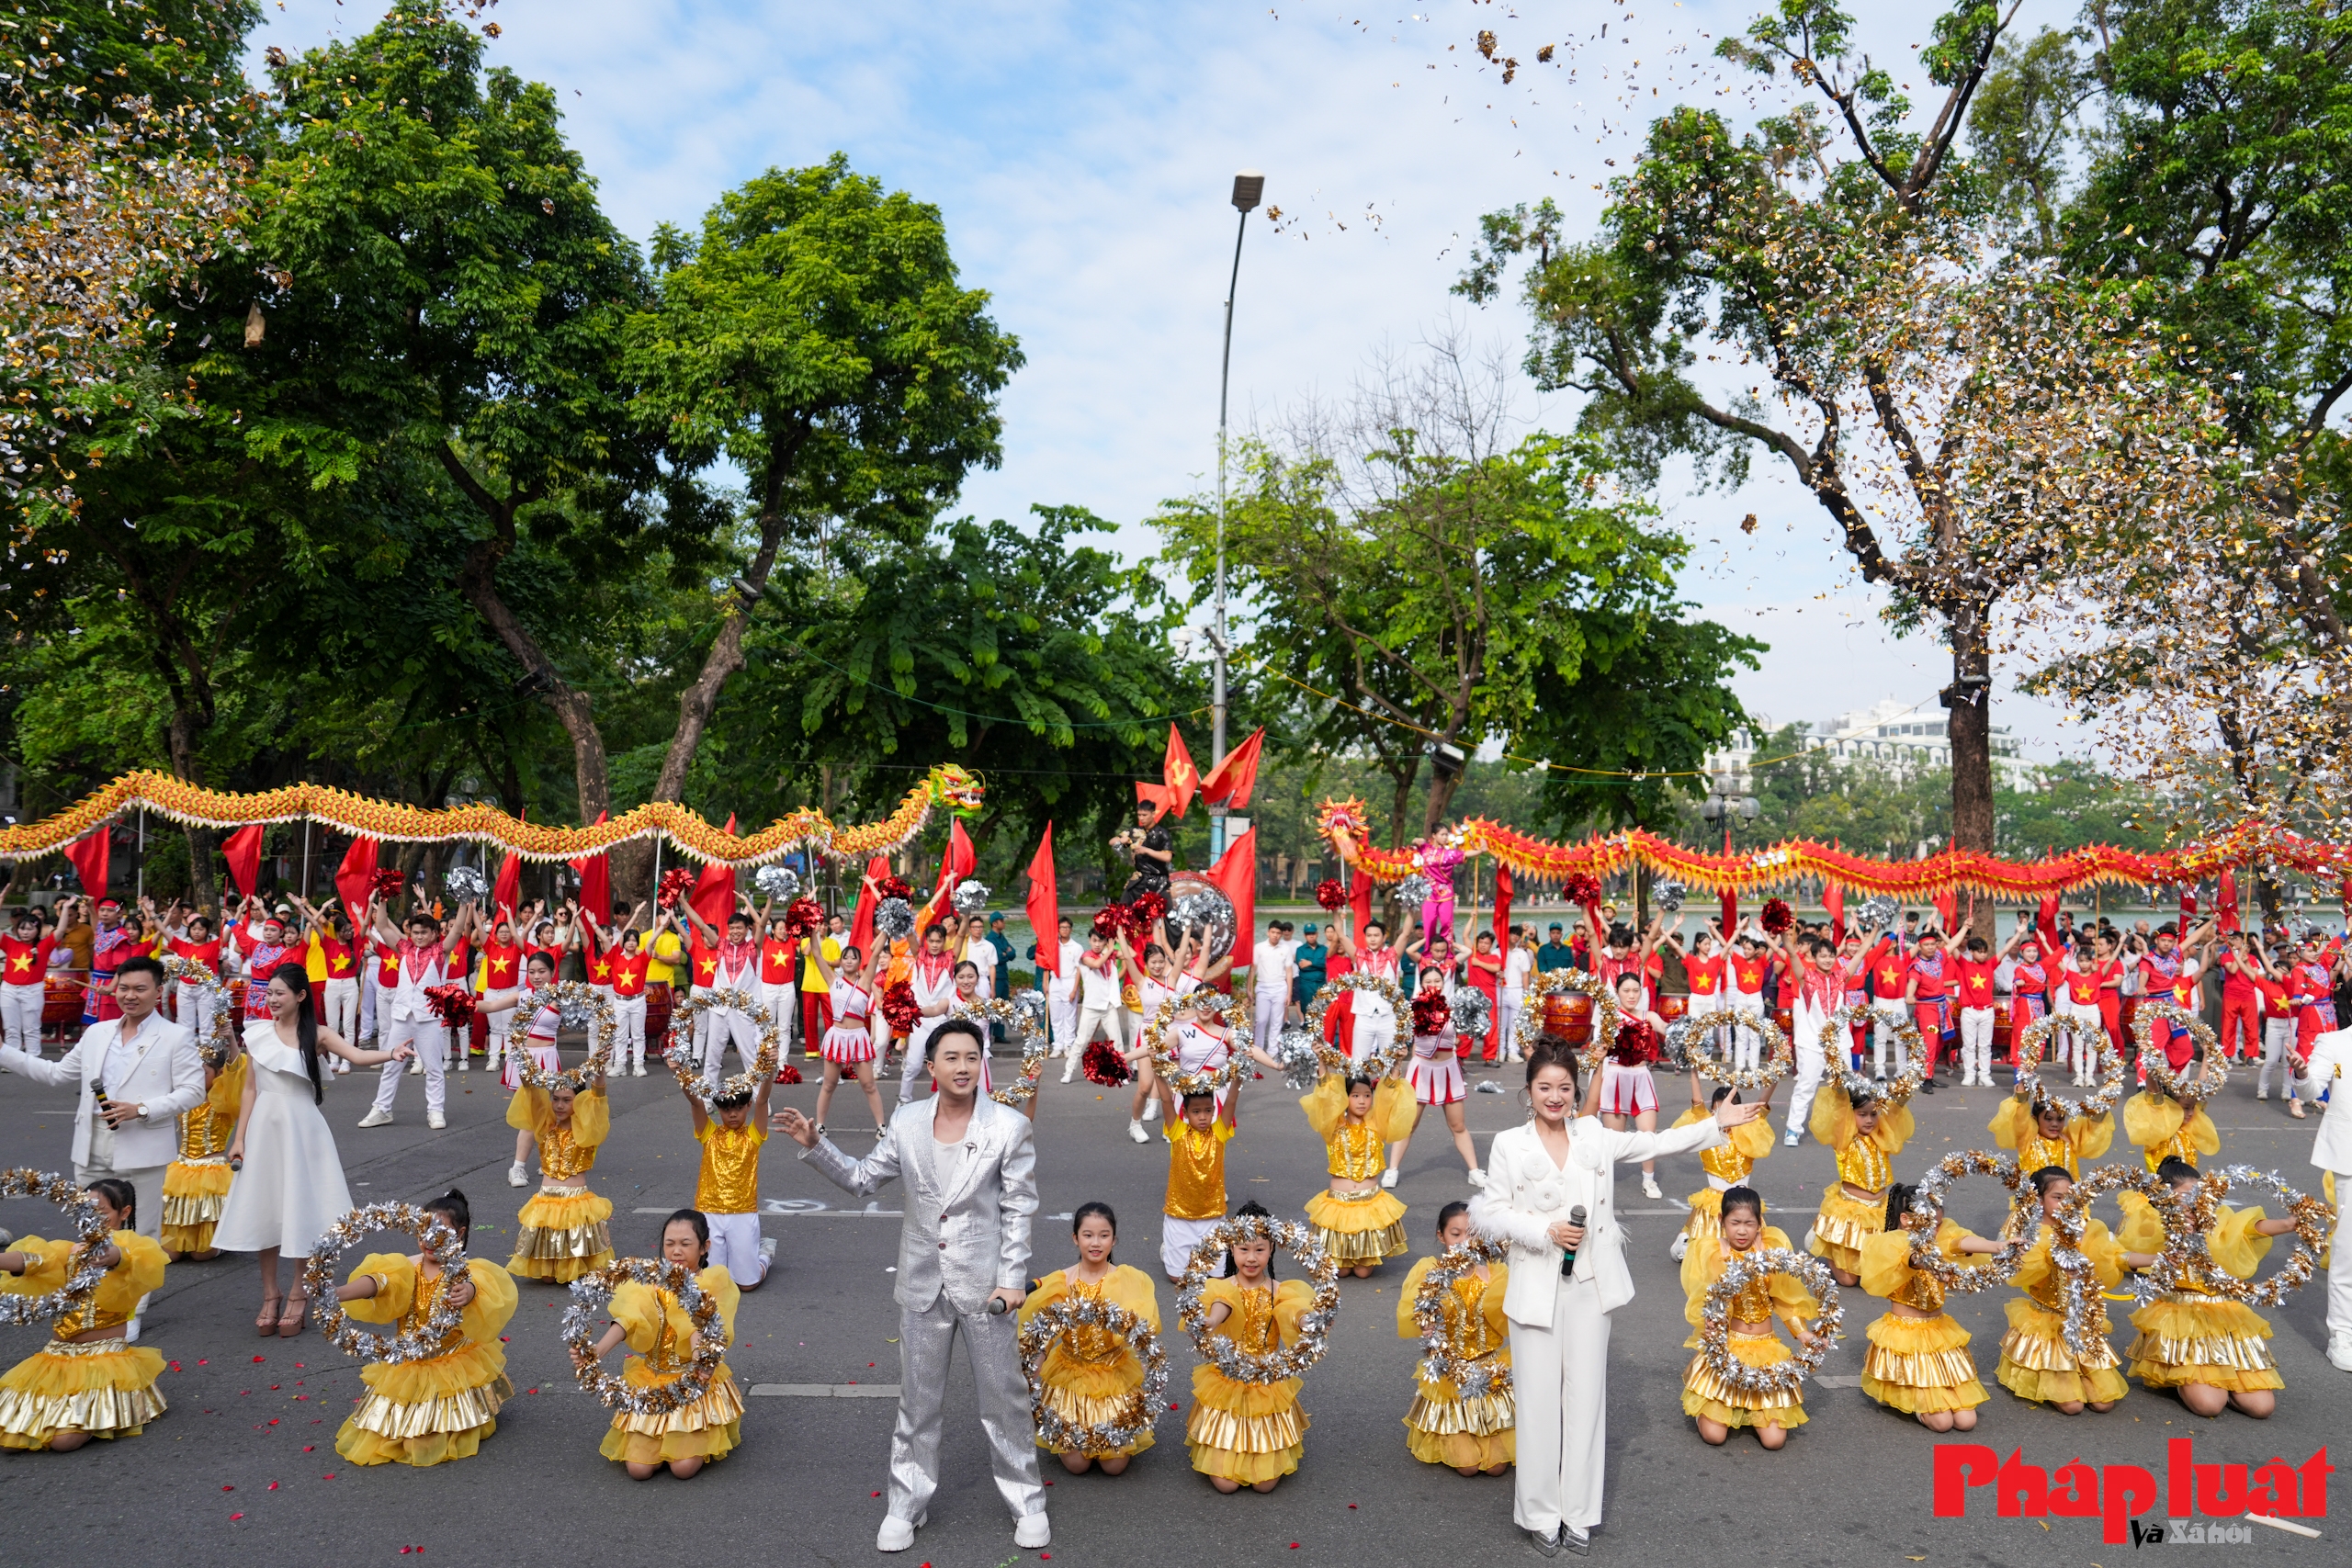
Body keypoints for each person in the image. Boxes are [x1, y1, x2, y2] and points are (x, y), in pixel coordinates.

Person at [1471, 1039, 1765, 1556]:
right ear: (1529, 1091)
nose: (1555, 1097)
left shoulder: (1595, 1136)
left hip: (1591, 1287)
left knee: (1586, 1400)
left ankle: (1579, 1514)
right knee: (1538, 1403)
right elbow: (1492, 1212)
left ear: (1576, 1089)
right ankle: (1540, 1514)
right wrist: (1546, 1231)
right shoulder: (1508, 1144)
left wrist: (1717, 1124)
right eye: (1545, 1087)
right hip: (1534, 1286)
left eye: (1565, 1087)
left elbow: (1655, 1144)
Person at [773, 1018, 1052, 1553]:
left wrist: (1013, 1279)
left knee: (1005, 1400)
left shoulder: (1008, 1127)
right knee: (918, 1404)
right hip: (923, 1284)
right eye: (952, 1057)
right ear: (931, 1066)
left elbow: (1019, 1208)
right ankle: (907, 1504)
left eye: (972, 1057)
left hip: (989, 1289)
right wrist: (816, 1145)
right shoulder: (906, 1122)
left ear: (982, 1064)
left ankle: (1027, 1501)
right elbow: (861, 1179)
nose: (963, 1067)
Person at [215, 964, 413, 1337]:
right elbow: (250, 1089)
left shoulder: (319, 1034)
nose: (272, 1000)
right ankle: (270, 1294)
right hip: (263, 1128)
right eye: (270, 993)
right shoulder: (257, 1032)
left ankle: (297, 1293)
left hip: (302, 1129)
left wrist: (392, 1053)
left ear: (300, 996)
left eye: (280, 994)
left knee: (299, 1208)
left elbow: (356, 1056)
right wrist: (239, 1138)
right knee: (266, 1208)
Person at [0, 953, 202, 1259]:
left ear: (159, 992)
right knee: (92, 1232)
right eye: (123, 988)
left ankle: (136, 1309)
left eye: (139, 989)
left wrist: (142, 1109)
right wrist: (3, 1051)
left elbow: (193, 1091)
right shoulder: (97, 1032)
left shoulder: (177, 1036)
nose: (129, 996)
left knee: (141, 1236)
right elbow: (55, 1074)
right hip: (91, 1143)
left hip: (142, 1145)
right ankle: (95, 1305)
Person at [329, 1189, 517, 1466]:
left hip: (448, 1361)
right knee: (385, 1434)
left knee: (427, 1440)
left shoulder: (465, 1269)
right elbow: (380, 1281)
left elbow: (481, 1286)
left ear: (460, 1233)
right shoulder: (406, 1266)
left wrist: (469, 1291)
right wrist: (339, 1292)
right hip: (410, 1362)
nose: (429, 1240)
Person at [2117, 1156, 2303, 1416]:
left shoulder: (2216, 1220)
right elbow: (2124, 1255)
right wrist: (2170, 1240)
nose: (2195, 1202)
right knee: (2209, 1406)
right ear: (2165, 1198)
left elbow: (2250, 1228)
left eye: (2200, 1194)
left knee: (2262, 1408)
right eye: (2185, 1196)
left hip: (2223, 1317)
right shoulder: (2155, 1223)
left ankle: (2221, 1382)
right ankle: (2181, 1377)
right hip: (2182, 1323)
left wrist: (2288, 1224)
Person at [572, 1210, 745, 1479]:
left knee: (683, 1468)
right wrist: (595, 1353)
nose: (676, 1251)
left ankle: (696, 1433)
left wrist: (702, 1361)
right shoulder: (651, 1282)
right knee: (639, 1470)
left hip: (691, 1383)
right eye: (669, 1243)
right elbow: (628, 1320)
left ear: (704, 1247)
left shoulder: (713, 1283)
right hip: (652, 1379)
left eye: (685, 1244)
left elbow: (698, 1329)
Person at [0, 1178, 167, 1450]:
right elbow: (30, 1261)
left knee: (63, 1442)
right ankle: (70, 1412)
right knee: (12, 1438)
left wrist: (104, 1253)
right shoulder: (65, 1251)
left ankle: (97, 1413)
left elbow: (119, 1257)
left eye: (101, 1212)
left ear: (123, 1213)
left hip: (103, 1357)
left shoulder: (135, 1250)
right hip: (56, 1356)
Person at [1184, 1199, 1320, 1496]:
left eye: (1259, 1249)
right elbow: (1224, 1306)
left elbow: (1293, 1310)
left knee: (1265, 1484)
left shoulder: (1280, 1291)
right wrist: (1209, 1321)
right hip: (1229, 1380)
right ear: (1231, 1248)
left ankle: (1260, 1452)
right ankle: (1224, 1448)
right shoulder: (1222, 1287)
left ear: (1272, 1248)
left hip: (1266, 1381)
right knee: (1226, 1484)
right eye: (1243, 1249)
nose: (1251, 1257)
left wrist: (1308, 1321)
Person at [1995, 1167, 2157, 1414]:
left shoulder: (2086, 1228)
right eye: (2057, 1197)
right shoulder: (2029, 1234)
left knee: (2104, 1403)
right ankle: (2055, 1376)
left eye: (2070, 1197)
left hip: (2080, 1323)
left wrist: (2158, 1258)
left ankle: (2078, 1375)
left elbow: (2117, 1257)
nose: (2065, 1204)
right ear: (2039, 1200)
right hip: (2047, 1325)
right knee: (2072, 1406)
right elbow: (2020, 1269)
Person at [1017, 1201, 1160, 1475]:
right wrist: (1032, 1369)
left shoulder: (1128, 1279)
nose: (1096, 1243)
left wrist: (1146, 1376)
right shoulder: (1062, 1281)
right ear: (1075, 1238)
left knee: (1114, 1466)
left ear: (1113, 1239)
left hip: (1113, 1373)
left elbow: (1141, 1332)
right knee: (1077, 1465)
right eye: (1088, 1235)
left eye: (1104, 1235)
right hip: (1071, 1374)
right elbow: (1046, 1333)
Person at [1677, 1185, 1816, 1450]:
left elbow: (1784, 1298)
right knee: (1714, 1436)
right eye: (1735, 1223)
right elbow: (1705, 1300)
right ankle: (1710, 1412)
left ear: (1759, 1224)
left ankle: (1754, 1412)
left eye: (1749, 1223)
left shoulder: (1770, 1250)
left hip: (1766, 1348)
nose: (1742, 1230)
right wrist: (1710, 1325)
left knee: (1774, 1441)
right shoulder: (1713, 1253)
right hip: (1729, 1348)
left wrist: (1802, 1333)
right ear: (1722, 1221)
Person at [1855, 1183, 2000, 1431]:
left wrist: (1998, 1247)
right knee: (1942, 1423)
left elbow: (1960, 1241)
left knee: (1967, 1421)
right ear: (1906, 1219)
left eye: (1939, 1223)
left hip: (1937, 1331)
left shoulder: (1937, 1236)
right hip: (1907, 1338)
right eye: (1929, 1223)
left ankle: (1922, 1397)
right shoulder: (1891, 1243)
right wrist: (1935, 1266)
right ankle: (1902, 1396)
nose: (1936, 1229)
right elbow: (1913, 1259)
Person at [1396, 1201, 1513, 1476]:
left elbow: (1513, 1314)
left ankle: (1487, 1433)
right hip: (1452, 1372)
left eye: (1471, 1234)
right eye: (1455, 1234)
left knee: (1496, 1468)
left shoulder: (1495, 1273)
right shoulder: (1430, 1272)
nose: (1464, 1242)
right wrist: (1426, 1323)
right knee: (1469, 1467)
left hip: (1490, 1369)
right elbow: (1416, 1308)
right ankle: (1449, 1434)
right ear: (1441, 1236)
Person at [358, 897, 463, 1129]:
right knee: (391, 1065)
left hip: (428, 1017)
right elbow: (383, 926)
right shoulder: (404, 947)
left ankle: (436, 1111)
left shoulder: (440, 951)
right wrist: (383, 898)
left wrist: (464, 902)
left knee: (433, 1066)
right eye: (415, 932)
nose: (419, 936)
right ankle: (382, 1109)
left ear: (435, 933)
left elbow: (457, 930)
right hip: (402, 1015)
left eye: (424, 932)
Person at [1299, 1071, 1416, 1277]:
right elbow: (1325, 1094)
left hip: (1368, 1202)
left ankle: (1364, 1253)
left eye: (1367, 1095)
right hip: (1338, 1203)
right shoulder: (1333, 1126)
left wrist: (1396, 1064)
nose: (1362, 1101)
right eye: (1355, 1095)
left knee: (1363, 1272)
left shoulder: (1377, 1125)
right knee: (1341, 1272)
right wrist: (1322, 1062)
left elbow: (1390, 1095)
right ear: (1344, 1098)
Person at [1804, 1076, 1916, 1288]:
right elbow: (1838, 1103)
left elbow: (1898, 1107)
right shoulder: (1844, 1138)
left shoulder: (1881, 1135)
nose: (1869, 1120)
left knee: (1874, 1276)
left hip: (1880, 1211)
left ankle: (1856, 1254)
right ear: (1849, 1114)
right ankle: (1828, 1245)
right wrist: (1839, 1077)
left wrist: (1911, 1076)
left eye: (1874, 1114)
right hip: (1852, 1212)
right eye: (1862, 1114)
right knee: (1848, 1280)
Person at [506, 1066, 613, 1283]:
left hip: (576, 1201)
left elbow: (598, 1095)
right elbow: (530, 1092)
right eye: (555, 1099)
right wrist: (520, 1054)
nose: (560, 1105)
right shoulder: (545, 1125)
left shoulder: (586, 1128)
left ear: (580, 1101)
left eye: (567, 1100)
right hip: (546, 1200)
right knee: (546, 1277)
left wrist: (600, 1067)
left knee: (578, 1272)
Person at [681, 1066, 776, 1290]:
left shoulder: (754, 1134)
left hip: (743, 1211)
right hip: (709, 1211)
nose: (733, 1114)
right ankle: (740, 1255)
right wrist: (682, 1075)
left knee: (747, 1285)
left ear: (748, 1106)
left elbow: (763, 1101)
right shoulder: (709, 1133)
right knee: (712, 1285)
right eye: (726, 1109)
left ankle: (765, 1254)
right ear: (718, 1110)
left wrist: (769, 1071)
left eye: (739, 1108)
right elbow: (695, 1103)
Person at [2293, 1020, 2352, 1370]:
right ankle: (2342, 1334)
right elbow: (2311, 1090)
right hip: (2349, 1156)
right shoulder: (2333, 1041)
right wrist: (2300, 1074)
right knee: (2348, 1250)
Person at [160, 1034, 246, 1259]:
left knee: (202, 1255)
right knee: (170, 1255)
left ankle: (224, 1239)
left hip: (212, 1172)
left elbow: (237, 1072)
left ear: (218, 1074)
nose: (195, 1077)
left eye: (202, 1072)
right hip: (182, 1169)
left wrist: (231, 1041)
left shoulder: (225, 1099)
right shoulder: (183, 1096)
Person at [1668, 1081, 1774, 1263]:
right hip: (1712, 1205)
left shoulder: (1750, 1129)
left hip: (1742, 1202)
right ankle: (1684, 1242)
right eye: (1717, 1112)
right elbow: (1697, 1103)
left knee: (1751, 1258)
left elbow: (1762, 1103)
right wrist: (1694, 1067)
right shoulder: (1706, 1130)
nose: (1724, 1118)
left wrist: (1776, 1075)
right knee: (1707, 1257)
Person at [1597, 972, 1671, 1201]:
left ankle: (1648, 1180)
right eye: (1626, 991)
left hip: (1641, 1078)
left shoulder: (1649, 1015)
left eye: (1636, 990)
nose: (1631, 995)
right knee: (1613, 1141)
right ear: (1617, 992)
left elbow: (1666, 1029)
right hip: (1616, 1078)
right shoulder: (1610, 1017)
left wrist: (1687, 1033)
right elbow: (1600, 1047)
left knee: (1648, 1136)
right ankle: (1600, 1181)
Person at [1403, 967, 1482, 1183]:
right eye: (1428, 981)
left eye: (1437, 980)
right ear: (1422, 984)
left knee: (1458, 1125)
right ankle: (1392, 1170)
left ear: (1444, 982)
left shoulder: (1454, 1008)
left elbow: (1473, 1029)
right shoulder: (1413, 1008)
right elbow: (1405, 1040)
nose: (1433, 984)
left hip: (1448, 1068)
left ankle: (1474, 1172)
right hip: (1422, 1069)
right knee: (1409, 1125)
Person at [808, 938, 888, 1134]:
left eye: (854, 957)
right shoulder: (833, 980)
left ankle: (881, 1127)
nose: (850, 960)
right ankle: (820, 1125)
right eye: (846, 957)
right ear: (841, 962)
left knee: (869, 1085)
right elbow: (817, 955)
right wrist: (811, 930)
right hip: (836, 1036)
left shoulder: (865, 981)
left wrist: (887, 927)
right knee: (829, 1084)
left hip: (858, 1037)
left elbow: (876, 953)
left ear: (860, 962)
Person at [1160, 1088, 1236, 1281]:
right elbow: (1166, 1100)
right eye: (1196, 1112)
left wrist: (1238, 1076)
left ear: (1213, 1111)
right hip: (1179, 1215)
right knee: (1176, 1279)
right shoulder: (1177, 1132)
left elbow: (1231, 1102)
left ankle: (1194, 1252)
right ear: (1185, 1113)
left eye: (1208, 1111)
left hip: (1212, 1214)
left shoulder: (1219, 1132)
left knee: (1218, 1278)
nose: (1203, 1117)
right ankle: (1169, 1251)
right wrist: (1157, 1071)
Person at [1988, 1077, 2114, 1180]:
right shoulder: (2028, 1139)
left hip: (2068, 1205)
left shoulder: (2069, 1139)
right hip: (2036, 1205)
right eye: (2048, 1119)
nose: (2055, 1124)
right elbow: (2019, 1113)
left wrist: (2110, 1090)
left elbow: (2092, 1126)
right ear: (2034, 1119)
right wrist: (2025, 1075)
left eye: (2060, 1119)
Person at [897, 920, 960, 1109]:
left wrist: (965, 913)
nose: (934, 945)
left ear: (944, 941)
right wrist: (902, 913)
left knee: (944, 1065)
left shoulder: (950, 958)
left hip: (942, 1020)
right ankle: (903, 1100)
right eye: (931, 941)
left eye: (938, 941)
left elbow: (962, 934)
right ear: (926, 941)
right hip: (921, 1019)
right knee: (913, 1065)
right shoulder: (920, 955)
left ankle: (945, 1102)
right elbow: (910, 935)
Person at [1065, 929, 1125, 1090]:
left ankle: (1122, 1073)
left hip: (1109, 1005)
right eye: (1094, 941)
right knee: (1081, 1041)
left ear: (1105, 941)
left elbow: (1131, 955)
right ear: (1090, 941)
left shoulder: (1110, 953)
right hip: (1091, 1006)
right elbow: (1097, 964)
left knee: (1117, 1040)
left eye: (1100, 941)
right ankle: (1068, 1072)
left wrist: (1119, 935)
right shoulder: (1086, 957)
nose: (1097, 944)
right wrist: (1110, 951)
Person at [1, 905, 61, 1055]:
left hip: (32, 991)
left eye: (30, 929)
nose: (25, 932)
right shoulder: (10, 943)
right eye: (22, 929)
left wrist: (65, 909)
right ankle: (12, 1059)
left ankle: (33, 1058)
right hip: (8, 990)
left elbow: (60, 931)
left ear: (38, 930)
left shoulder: (44, 945)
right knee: (11, 1027)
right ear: (17, 929)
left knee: (32, 1027)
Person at [1250, 919, 1295, 1066]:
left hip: (1280, 988)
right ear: (1268, 932)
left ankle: (1273, 1051)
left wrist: (1289, 993)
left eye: (1278, 933)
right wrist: (1249, 988)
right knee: (1261, 1020)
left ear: (1281, 935)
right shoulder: (1259, 948)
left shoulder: (1286, 949)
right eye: (1273, 932)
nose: (1275, 935)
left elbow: (1289, 972)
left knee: (1277, 1021)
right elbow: (1253, 969)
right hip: (1263, 987)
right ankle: (1257, 1048)